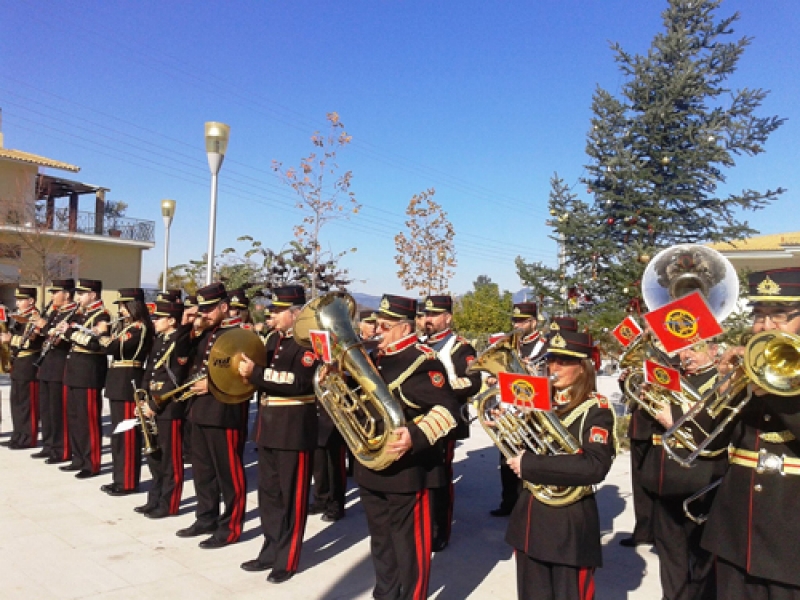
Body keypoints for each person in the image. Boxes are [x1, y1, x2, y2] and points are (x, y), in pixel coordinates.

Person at [354, 294, 461, 600]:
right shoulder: (375, 356)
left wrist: (415, 435)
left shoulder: (422, 361)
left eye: (384, 327)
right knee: (381, 541)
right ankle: (385, 593)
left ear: (404, 327)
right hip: (372, 465)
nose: (377, 332)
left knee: (409, 545)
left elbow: (449, 411)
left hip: (407, 471)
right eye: (376, 325)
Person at [701, 268, 800, 597]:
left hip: (790, 541)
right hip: (734, 532)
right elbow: (706, 444)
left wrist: (778, 394)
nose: (766, 326)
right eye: (759, 315)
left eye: (780, 316)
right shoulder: (749, 370)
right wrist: (725, 389)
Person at [506, 329, 617, 600]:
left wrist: (531, 465)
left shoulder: (596, 410)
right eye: (552, 359)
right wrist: (509, 426)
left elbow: (594, 466)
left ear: (583, 368)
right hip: (531, 519)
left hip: (568, 525)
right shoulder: (540, 401)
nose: (553, 367)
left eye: (564, 361)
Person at [238, 285, 319, 584]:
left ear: (295, 313)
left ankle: (288, 558)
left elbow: (299, 382)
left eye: (277, 311)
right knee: (269, 495)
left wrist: (255, 374)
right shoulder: (274, 338)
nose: (271, 315)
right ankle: (270, 549)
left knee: (291, 497)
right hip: (269, 426)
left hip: (294, 427)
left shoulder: (308, 342)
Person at [641, 341, 725, 600]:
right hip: (665, 478)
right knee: (671, 557)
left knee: (702, 560)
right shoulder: (671, 377)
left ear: (713, 350)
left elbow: (717, 425)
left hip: (700, 479)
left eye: (694, 349)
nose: (686, 355)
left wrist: (674, 415)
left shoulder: (722, 381)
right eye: (683, 349)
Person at [175, 283, 249, 549]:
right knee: (203, 471)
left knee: (229, 474)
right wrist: (186, 323)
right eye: (201, 309)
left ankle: (231, 527)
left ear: (223, 307)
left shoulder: (240, 335)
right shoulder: (203, 333)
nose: (203, 314)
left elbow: (245, 378)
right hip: (199, 410)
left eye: (208, 309)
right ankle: (205, 517)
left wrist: (213, 386)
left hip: (224, 412)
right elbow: (180, 354)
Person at [422, 294, 481, 552]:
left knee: (440, 477)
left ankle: (440, 529)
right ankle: (424, 523)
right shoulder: (421, 344)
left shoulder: (460, 348)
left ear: (448, 318)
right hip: (420, 419)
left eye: (434, 315)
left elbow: (473, 382)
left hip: (445, 420)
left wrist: (443, 389)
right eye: (425, 315)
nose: (428, 320)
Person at [88, 288, 154, 496]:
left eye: (125, 306)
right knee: (118, 435)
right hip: (117, 381)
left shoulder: (139, 328)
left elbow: (114, 348)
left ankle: (127, 481)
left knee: (127, 435)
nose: (121, 310)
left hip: (129, 381)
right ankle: (119, 478)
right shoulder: (127, 327)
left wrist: (101, 334)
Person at [137, 300, 193, 518]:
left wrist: (154, 404)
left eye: (159, 318)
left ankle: (169, 503)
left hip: (168, 407)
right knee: (154, 456)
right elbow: (149, 371)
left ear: (171, 320)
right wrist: (142, 399)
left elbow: (176, 378)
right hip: (151, 404)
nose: (154, 321)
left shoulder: (178, 340)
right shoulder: (160, 339)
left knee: (170, 460)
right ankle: (155, 498)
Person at [490, 301, 544, 517]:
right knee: (505, 458)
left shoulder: (544, 347)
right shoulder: (510, 345)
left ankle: (528, 507)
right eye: (516, 321)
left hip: (533, 411)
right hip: (508, 409)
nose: (518, 325)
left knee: (530, 458)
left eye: (523, 321)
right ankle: (508, 502)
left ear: (534, 322)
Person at [56, 279, 110, 479]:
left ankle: (91, 463)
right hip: (75, 371)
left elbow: (95, 344)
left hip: (88, 373)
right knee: (75, 419)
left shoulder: (102, 316)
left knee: (88, 420)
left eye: (82, 294)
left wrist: (69, 332)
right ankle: (78, 458)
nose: (78, 297)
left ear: (93, 295)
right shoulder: (82, 315)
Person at [33, 279, 77, 464]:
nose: (52, 296)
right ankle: (49, 445)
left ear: (66, 294)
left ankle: (61, 449)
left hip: (60, 366)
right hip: (47, 365)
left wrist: (44, 325)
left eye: (55, 292)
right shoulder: (55, 312)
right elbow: (46, 333)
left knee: (58, 411)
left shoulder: (74, 313)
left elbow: (61, 339)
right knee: (46, 409)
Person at [0, 287, 43, 450]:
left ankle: (28, 437)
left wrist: (11, 339)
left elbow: (32, 341)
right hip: (18, 363)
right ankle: (18, 435)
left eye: (21, 300)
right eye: (17, 300)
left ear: (31, 301)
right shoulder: (20, 317)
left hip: (29, 362)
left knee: (28, 404)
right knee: (16, 402)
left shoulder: (34, 317)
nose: (17, 303)